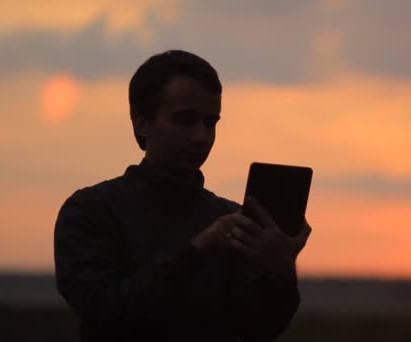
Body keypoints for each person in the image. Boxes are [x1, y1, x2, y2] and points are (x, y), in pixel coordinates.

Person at [53, 49, 312, 341]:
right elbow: (106, 312)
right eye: (185, 120)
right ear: (142, 123)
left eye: (210, 122)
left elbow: (258, 329)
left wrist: (280, 271)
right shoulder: (91, 211)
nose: (201, 137)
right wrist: (197, 250)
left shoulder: (231, 223)